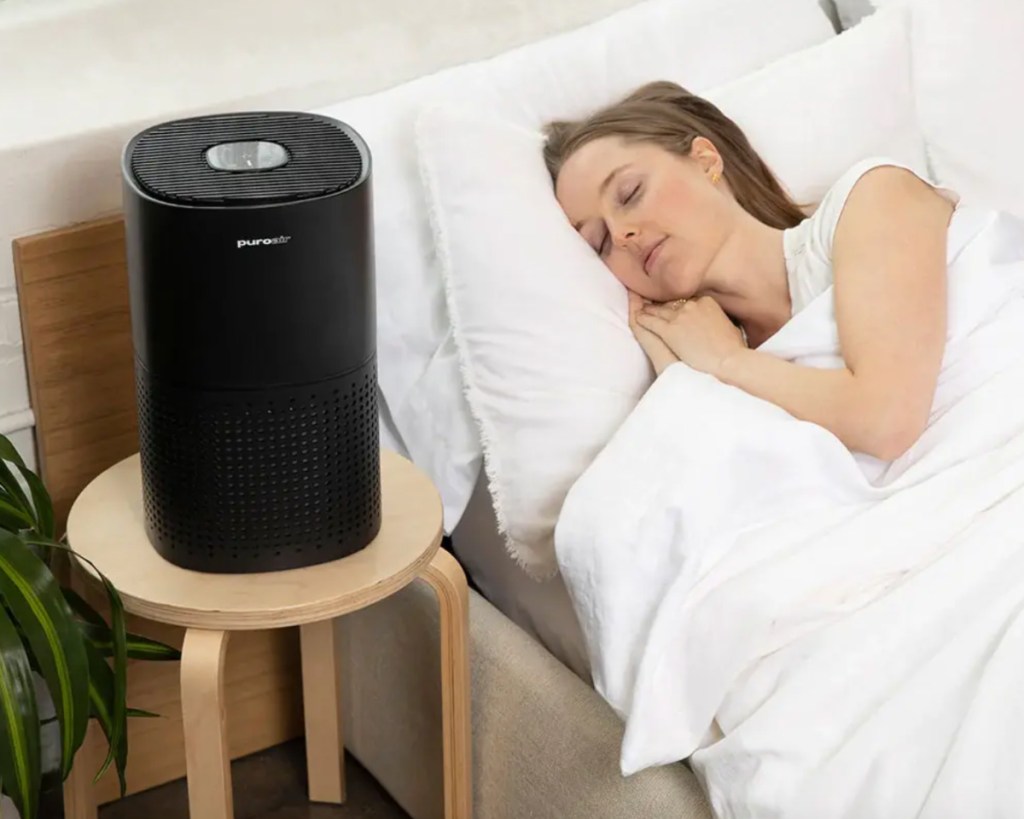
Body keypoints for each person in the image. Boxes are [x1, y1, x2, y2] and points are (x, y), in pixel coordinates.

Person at [543, 80, 957, 462]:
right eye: (600, 243)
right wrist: (681, 371)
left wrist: (727, 363)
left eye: (630, 193)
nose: (622, 233)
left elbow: (886, 421)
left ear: (705, 161)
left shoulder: (871, 198)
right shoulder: (697, 357)